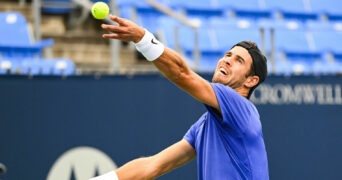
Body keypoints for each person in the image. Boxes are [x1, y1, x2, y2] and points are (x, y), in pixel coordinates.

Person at [91, 15, 269, 180]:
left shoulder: (240, 106)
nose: (227, 60)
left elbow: (182, 74)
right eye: (228, 54)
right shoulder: (204, 126)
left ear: (251, 81)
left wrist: (143, 38)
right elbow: (153, 165)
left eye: (239, 60)